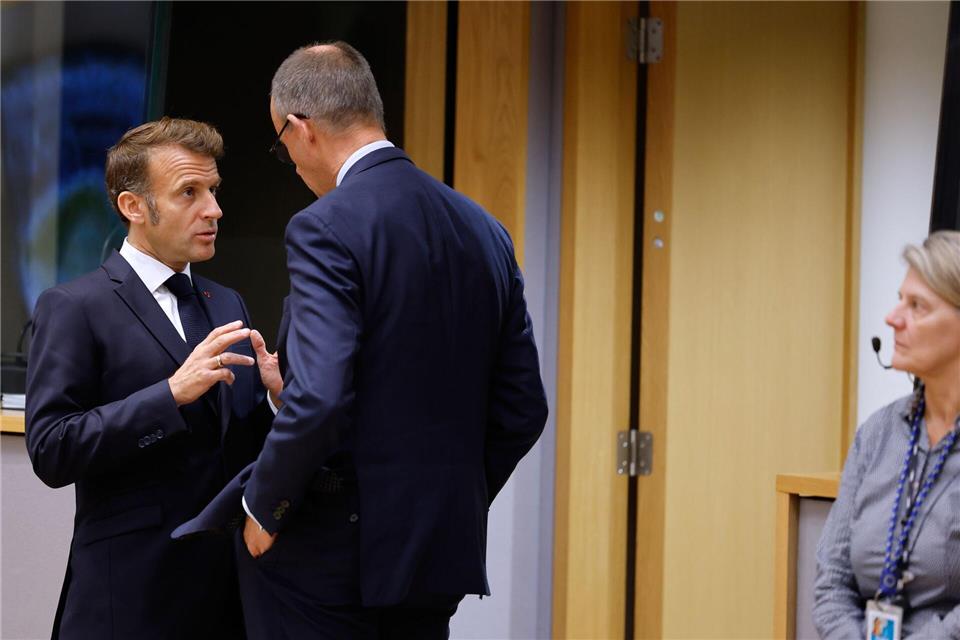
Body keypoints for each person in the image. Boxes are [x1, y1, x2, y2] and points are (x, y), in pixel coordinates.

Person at [179, 41, 548, 638]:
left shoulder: (325, 225)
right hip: (434, 555)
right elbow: (524, 408)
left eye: (281, 146)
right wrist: (445, 499)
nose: (290, 162)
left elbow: (322, 399)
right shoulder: (485, 230)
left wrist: (263, 508)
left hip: (329, 552)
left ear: (301, 129)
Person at [25, 117, 281, 639]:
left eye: (213, 190)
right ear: (133, 207)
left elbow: (238, 447)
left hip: (228, 598)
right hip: (129, 599)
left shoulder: (227, 301)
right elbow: (52, 450)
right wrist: (169, 395)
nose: (214, 209)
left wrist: (277, 403)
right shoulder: (73, 307)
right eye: (190, 192)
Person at [813, 230, 960, 638]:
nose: (893, 318)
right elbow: (832, 575)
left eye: (917, 306)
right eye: (900, 299)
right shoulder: (878, 433)